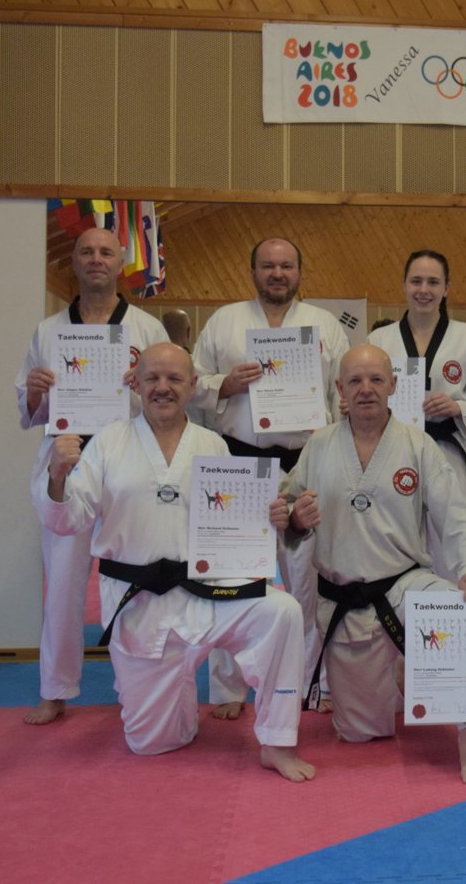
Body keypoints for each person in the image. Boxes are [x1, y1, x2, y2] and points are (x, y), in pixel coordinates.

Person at [38, 344, 315, 781]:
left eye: (174, 379)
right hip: (140, 605)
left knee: (282, 610)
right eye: (152, 378)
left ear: (191, 386)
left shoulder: (212, 444)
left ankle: (277, 741)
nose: (162, 387)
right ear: (135, 383)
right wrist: (56, 476)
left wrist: (273, 518)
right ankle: (174, 694)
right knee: (152, 742)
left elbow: (235, 525)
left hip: (206, 596)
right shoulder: (108, 443)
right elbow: (68, 519)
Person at [280, 344, 466, 784]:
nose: (366, 389)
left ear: (393, 385)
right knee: (361, 734)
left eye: (376, 379)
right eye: (355, 381)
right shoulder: (318, 445)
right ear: (340, 388)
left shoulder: (417, 444)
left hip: (405, 584)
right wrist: (295, 518)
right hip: (345, 600)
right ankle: (396, 671)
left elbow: (454, 512)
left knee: (457, 610)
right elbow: (287, 505)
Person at [15, 226, 170, 726]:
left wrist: (145, 387)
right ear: (75, 262)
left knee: (139, 573)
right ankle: (54, 689)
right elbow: (29, 411)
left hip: (129, 459)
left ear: (121, 262)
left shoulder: (147, 328)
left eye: (106, 252)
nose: (96, 259)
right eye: (86, 251)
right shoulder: (49, 330)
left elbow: (171, 398)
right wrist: (35, 390)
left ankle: (145, 680)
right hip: (69, 457)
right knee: (62, 580)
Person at [192, 238, 350, 713]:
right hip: (240, 461)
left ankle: (308, 682)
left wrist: (343, 407)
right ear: (253, 272)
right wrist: (224, 385)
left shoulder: (324, 326)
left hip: (307, 462)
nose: (277, 273)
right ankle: (229, 688)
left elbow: (341, 391)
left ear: (300, 272)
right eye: (268, 266)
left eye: (286, 266)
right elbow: (190, 383)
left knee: (308, 581)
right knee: (234, 579)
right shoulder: (224, 321)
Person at [367, 250, 466, 551]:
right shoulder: (379, 340)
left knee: (453, 541)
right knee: (396, 537)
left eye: (433, 282)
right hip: (393, 451)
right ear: (404, 285)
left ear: (446, 288)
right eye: (416, 281)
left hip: (449, 452)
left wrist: (458, 407)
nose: (423, 290)